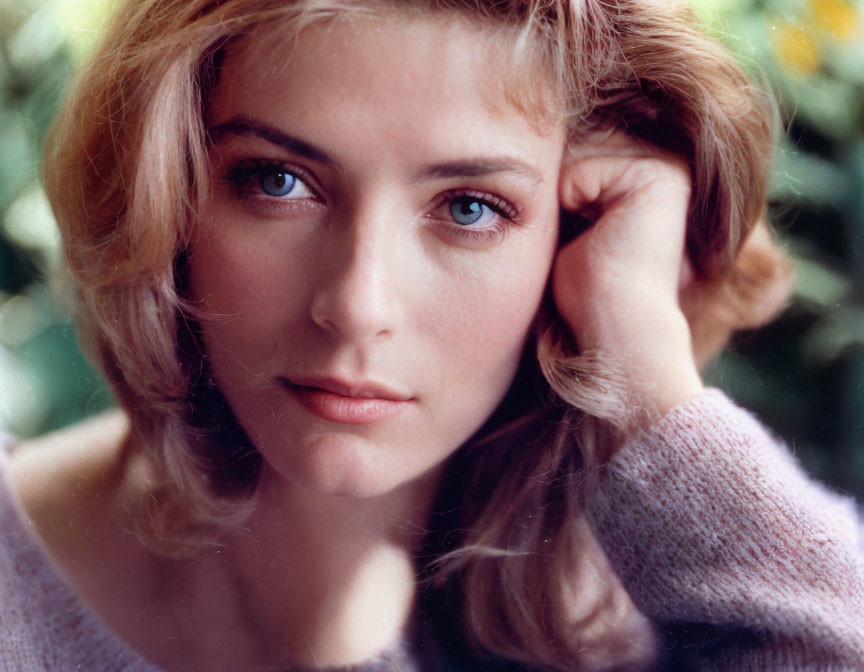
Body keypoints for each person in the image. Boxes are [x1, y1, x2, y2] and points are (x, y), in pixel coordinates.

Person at [1, 0, 862, 670]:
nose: (356, 304)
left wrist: (643, 384)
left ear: (581, 231)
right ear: (170, 192)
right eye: (278, 181)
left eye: (471, 207)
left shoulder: (637, 621)